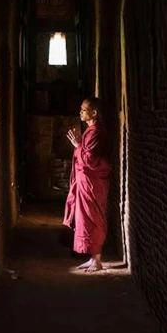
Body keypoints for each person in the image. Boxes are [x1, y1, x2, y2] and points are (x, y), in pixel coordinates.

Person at [63, 97, 112, 272]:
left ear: (94, 112)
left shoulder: (96, 133)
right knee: (84, 219)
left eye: (84, 109)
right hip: (85, 182)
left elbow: (90, 160)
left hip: (93, 182)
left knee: (93, 218)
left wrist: (77, 145)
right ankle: (93, 258)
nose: (81, 112)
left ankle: (97, 260)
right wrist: (79, 145)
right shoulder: (90, 131)